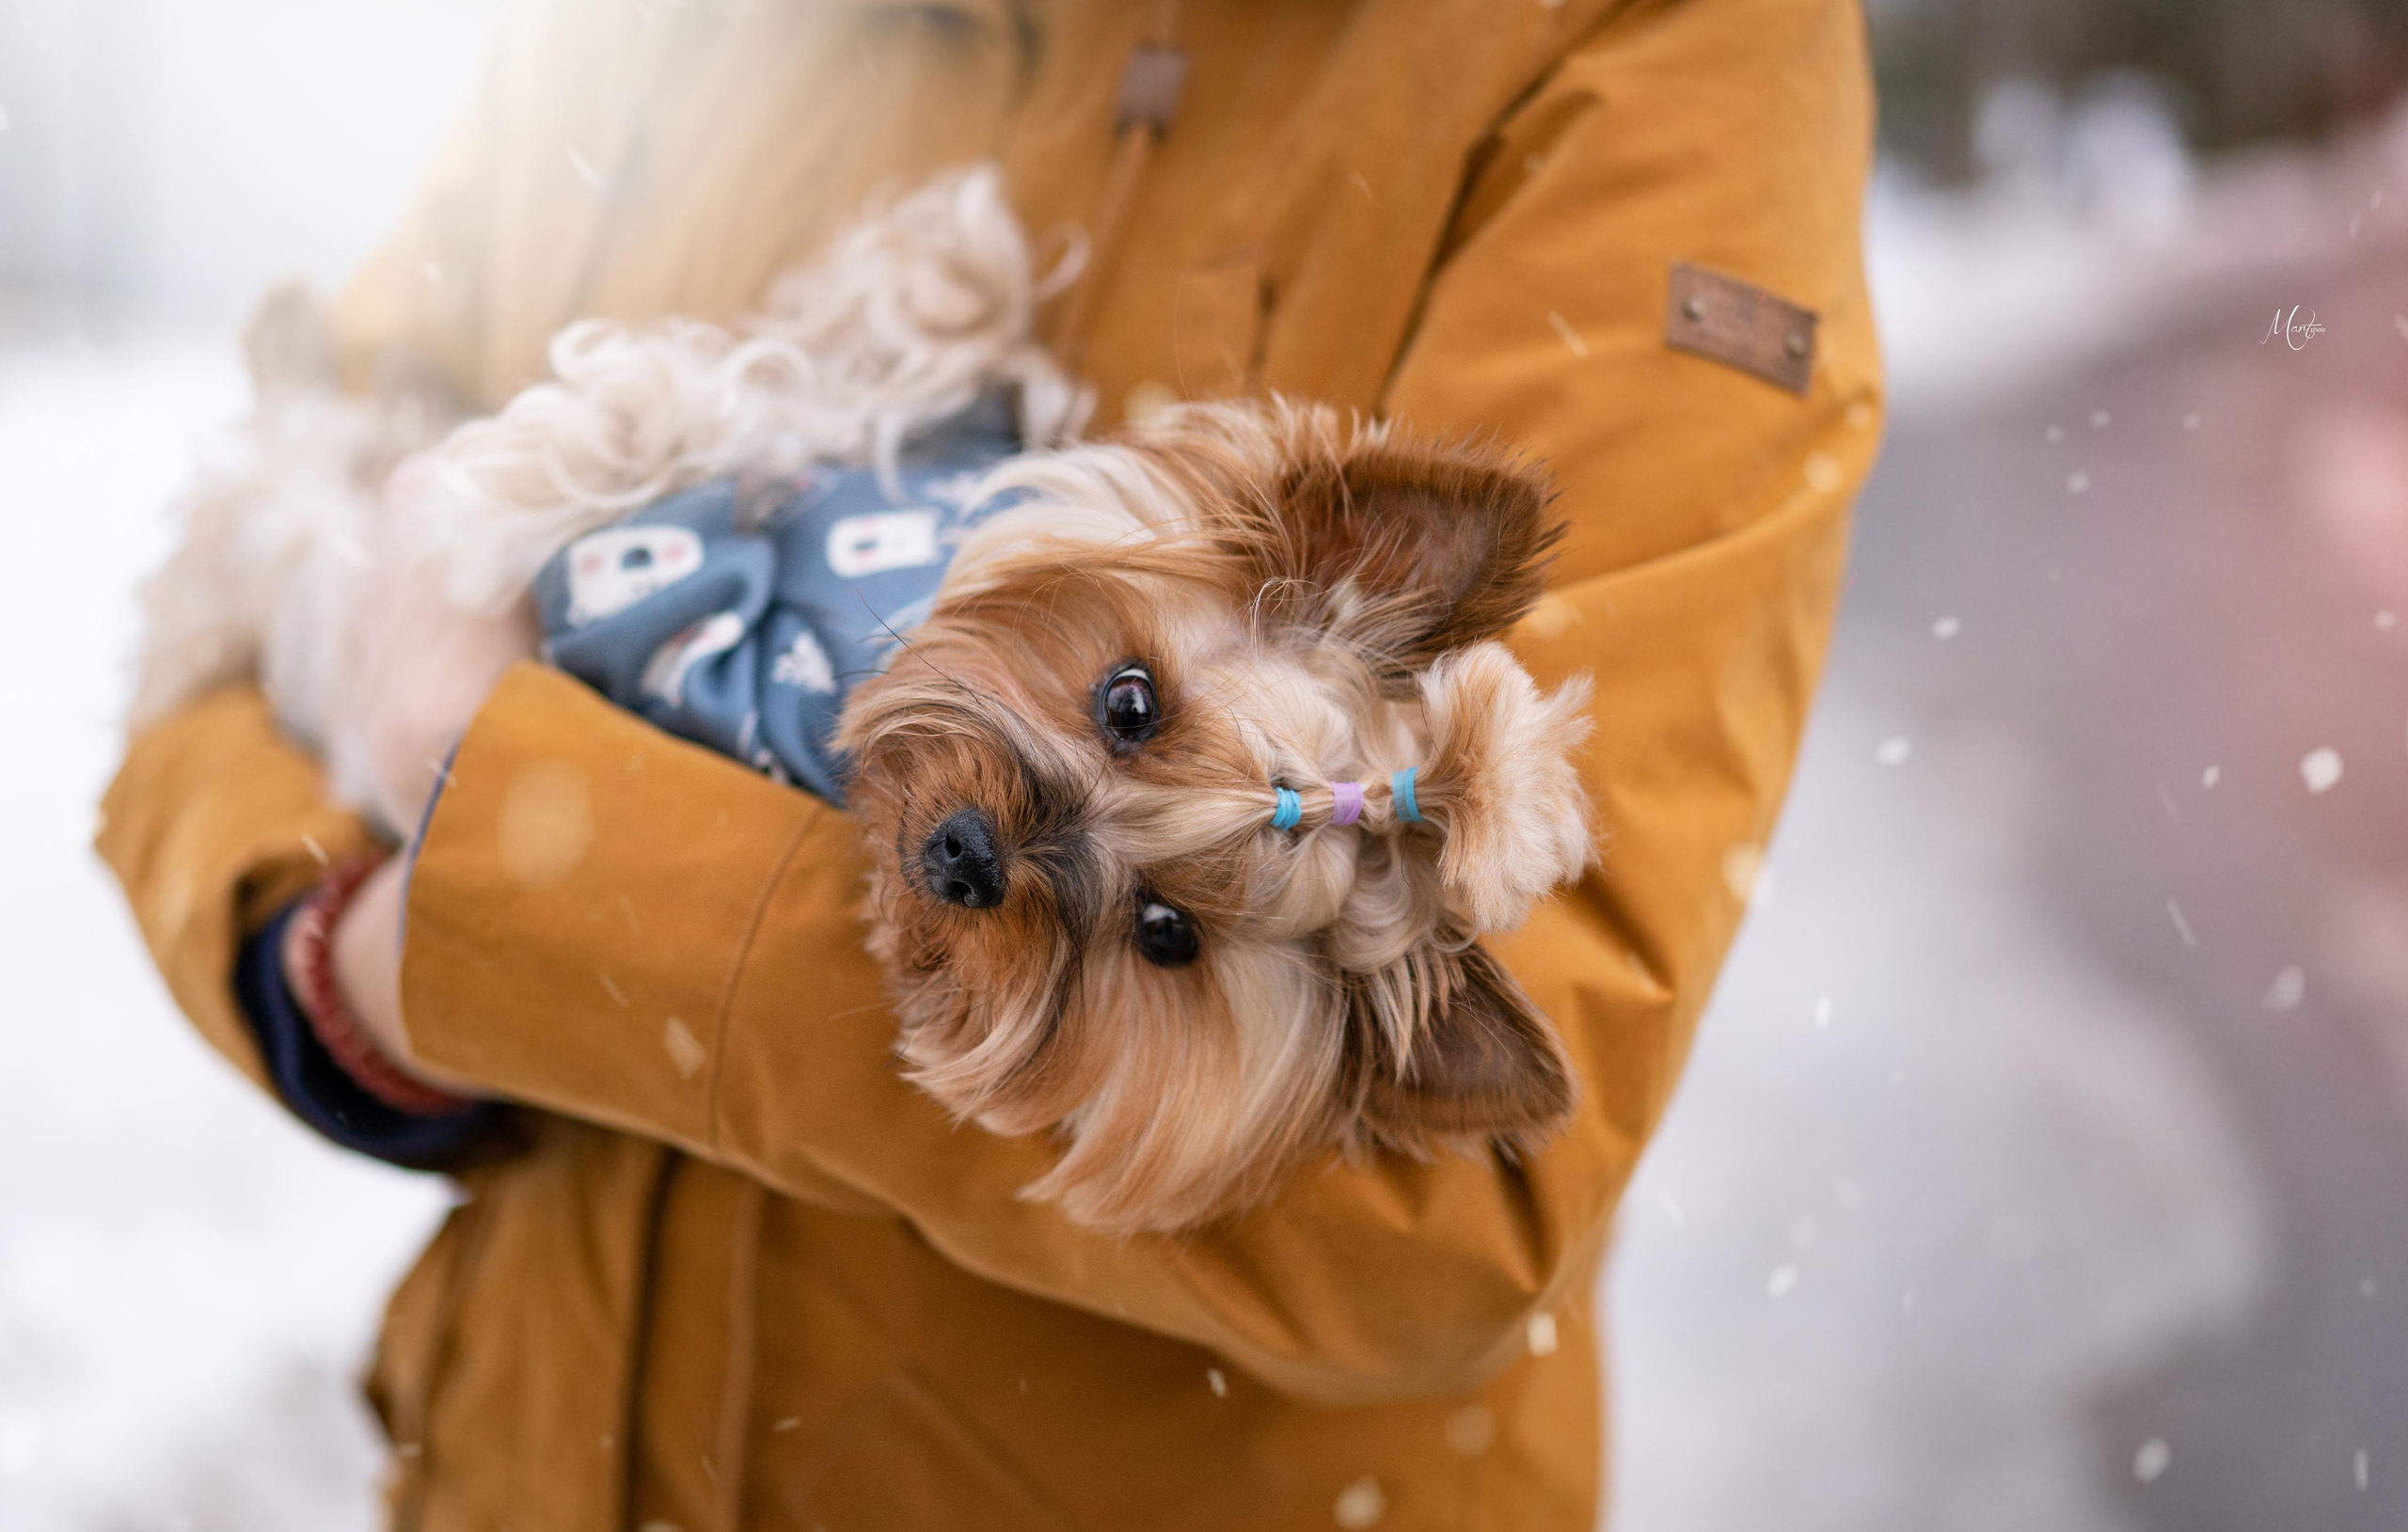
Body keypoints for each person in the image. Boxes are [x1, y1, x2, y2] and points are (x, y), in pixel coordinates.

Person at [99, 0, 1881, 1525]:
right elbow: (228, 575)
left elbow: (1446, 1201)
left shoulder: (1641, 46)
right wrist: (311, 948)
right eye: (1124, 720)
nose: (999, 860)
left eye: (1169, 936)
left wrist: (480, 892)